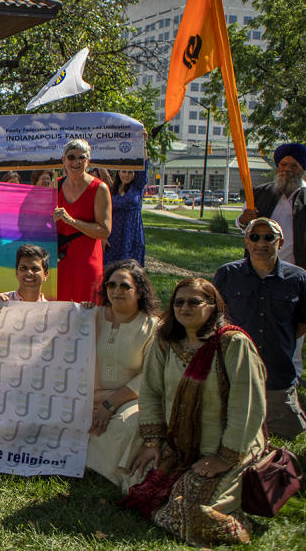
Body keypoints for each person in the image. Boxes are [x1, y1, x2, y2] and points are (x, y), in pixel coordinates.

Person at [121, 278, 267, 546]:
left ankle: (237, 520)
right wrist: (153, 442)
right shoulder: (166, 341)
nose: (184, 307)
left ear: (213, 307)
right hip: (180, 448)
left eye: (194, 302)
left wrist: (225, 457)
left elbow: (247, 406)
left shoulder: (233, 344)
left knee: (191, 512)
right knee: (139, 490)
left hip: (230, 451)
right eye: (178, 302)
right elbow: (151, 390)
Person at [213, 217, 306, 439]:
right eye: (255, 237)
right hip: (235, 369)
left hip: (277, 373)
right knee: (229, 431)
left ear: (280, 242)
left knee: (286, 434)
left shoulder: (298, 278)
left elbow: (301, 323)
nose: (261, 243)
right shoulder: (227, 274)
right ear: (246, 241)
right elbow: (215, 317)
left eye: (269, 238)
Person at [83, 260, 160, 491]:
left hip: (129, 399)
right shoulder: (89, 317)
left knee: (129, 424)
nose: (117, 291)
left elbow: (148, 375)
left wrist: (110, 403)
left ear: (139, 291)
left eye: (125, 286)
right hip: (87, 393)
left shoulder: (152, 327)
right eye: (111, 285)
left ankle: (109, 471)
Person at [53, 139, 111, 303]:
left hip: (87, 260)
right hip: (60, 259)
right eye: (71, 157)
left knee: (87, 310)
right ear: (63, 160)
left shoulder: (99, 188)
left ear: (88, 160)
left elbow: (105, 231)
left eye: (81, 158)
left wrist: (71, 221)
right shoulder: (55, 185)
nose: (76, 162)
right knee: (59, 309)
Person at [237, 142, 306, 267]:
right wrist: (243, 220)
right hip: (260, 269)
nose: (287, 169)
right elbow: (242, 223)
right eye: (283, 164)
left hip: (298, 271)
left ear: (302, 169)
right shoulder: (260, 193)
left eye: (293, 166)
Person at [104, 167, 147, 266]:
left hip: (131, 235)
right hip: (113, 235)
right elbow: (105, 212)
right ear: (118, 172)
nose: (126, 175)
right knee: (110, 268)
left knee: (131, 268)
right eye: (124, 171)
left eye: (130, 172)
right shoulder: (112, 189)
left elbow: (144, 165)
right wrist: (103, 237)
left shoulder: (137, 187)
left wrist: (143, 151)